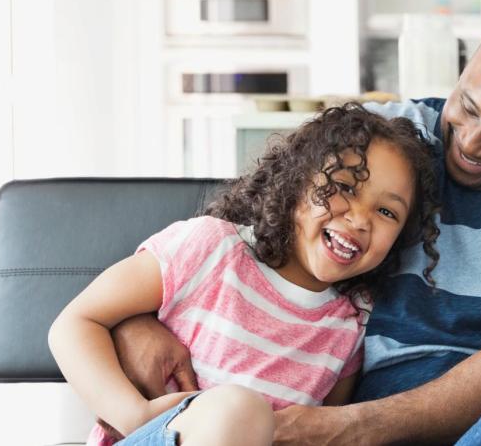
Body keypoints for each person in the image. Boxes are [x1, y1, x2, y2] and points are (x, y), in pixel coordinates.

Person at [105, 9, 481, 444]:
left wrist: (358, 426)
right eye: (469, 106)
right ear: (463, 73)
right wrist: (137, 322)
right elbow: (240, 240)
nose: (471, 144)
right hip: (356, 393)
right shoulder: (391, 132)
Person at [48, 104, 441, 446]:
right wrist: (133, 414)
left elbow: (323, 431)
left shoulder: (351, 320)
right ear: (297, 179)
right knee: (240, 410)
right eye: (344, 186)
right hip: (153, 437)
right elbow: (75, 323)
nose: (360, 219)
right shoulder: (210, 247)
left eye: (387, 212)